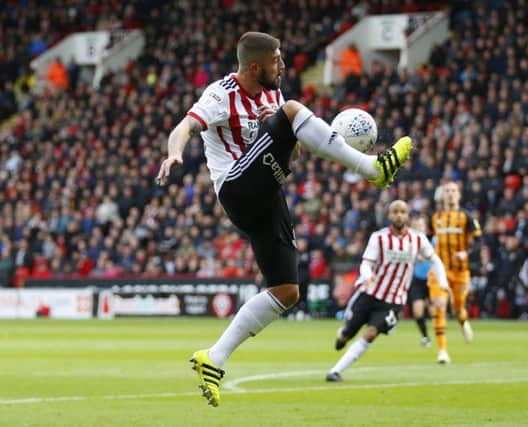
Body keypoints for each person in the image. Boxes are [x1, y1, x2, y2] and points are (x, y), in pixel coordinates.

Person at [155, 32, 412, 407]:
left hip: (266, 192)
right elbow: (185, 127)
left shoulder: (272, 93)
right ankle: (373, 169)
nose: (284, 65)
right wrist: (175, 153)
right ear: (255, 66)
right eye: (277, 60)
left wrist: (292, 140)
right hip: (236, 188)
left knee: (286, 291)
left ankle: (214, 358)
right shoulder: (220, 94)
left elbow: (285, 144)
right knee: (293, 110)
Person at [325, 200, 451, 382]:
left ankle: (335, 371)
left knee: (371, 333)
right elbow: (366, 264)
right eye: (395, 212)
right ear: (389, 215)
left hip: (393, 301)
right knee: (347, 335)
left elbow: (436, 261)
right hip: (369, 294)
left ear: (408, 216)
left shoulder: (417, 239)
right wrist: (368, 276)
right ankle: (343, 335)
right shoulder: (379, 237)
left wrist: (443, 283)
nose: (399, 215)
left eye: (403, 212)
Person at [428, 182, 482, 364]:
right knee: (440, 304)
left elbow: (480, 242)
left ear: (459, 195)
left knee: (458, 308)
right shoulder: (435, 217)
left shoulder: (466, 216)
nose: (450, 194)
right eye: (447, 191)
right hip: (439, 270)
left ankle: (462, 320)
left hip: (460, 271)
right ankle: (442, 351)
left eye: (453, 191)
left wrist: (467, 253)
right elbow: (426, 239)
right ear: (442, 196)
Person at [408, 215, 432, 347]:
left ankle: (441, 338)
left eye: (421, 226)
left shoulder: (432, 240)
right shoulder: (410, 242)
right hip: (417, 280)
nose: (418, 229)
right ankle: (426, 337)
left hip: (431, 279)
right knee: (417, 311)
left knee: (435, 311)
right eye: (416, 227)